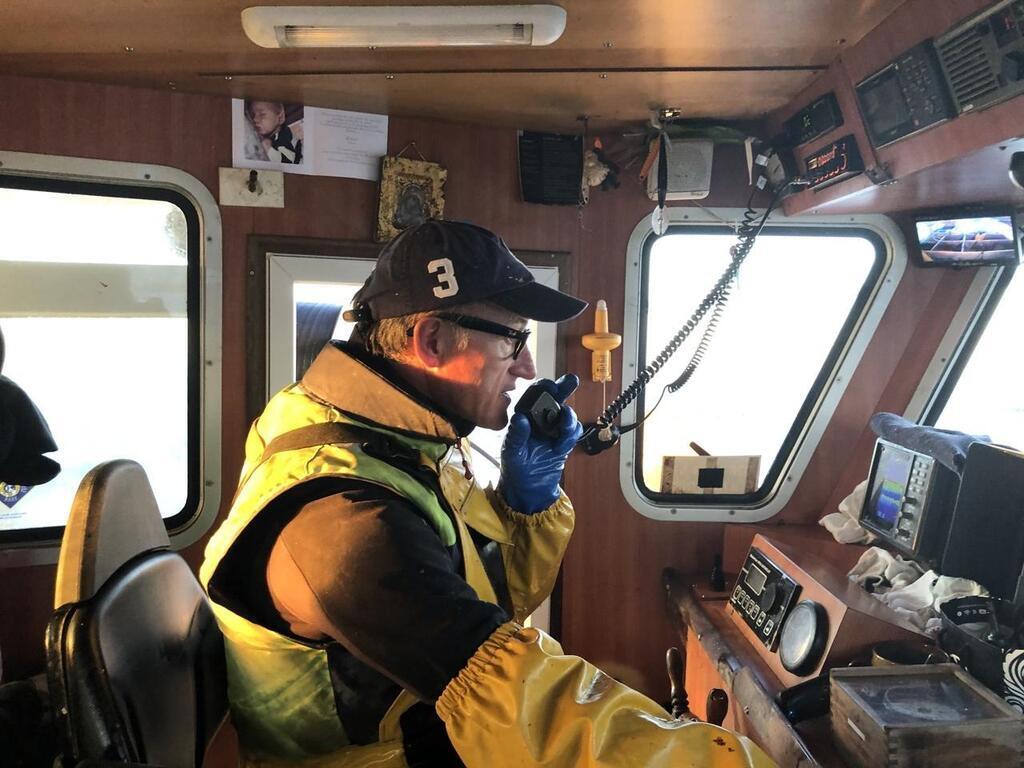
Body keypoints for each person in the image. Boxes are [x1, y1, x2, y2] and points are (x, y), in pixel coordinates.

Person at [200, 220, 774, 768]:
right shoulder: (346, 522)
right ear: (431, 340)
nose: (526, 367)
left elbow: (484, 606)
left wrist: (528, 507)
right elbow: (524, 707)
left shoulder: (395, 438)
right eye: (514, 341)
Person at [245, 100, 303, 164]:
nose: (255, 119)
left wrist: (269, 150)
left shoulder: (286, 136)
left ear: (280, 117)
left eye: (262, 114)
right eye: (252, 115)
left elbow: (289, 161)